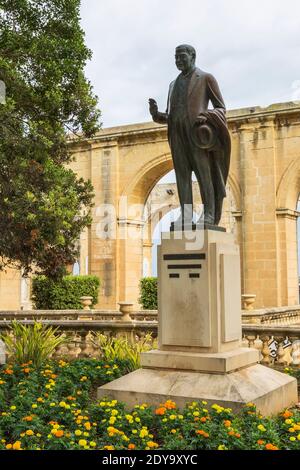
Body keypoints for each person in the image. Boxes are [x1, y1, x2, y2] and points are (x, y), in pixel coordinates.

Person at [149, 44, 231, 227]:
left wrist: (207, 115)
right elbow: (172, 116)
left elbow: (221, 108)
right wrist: (157, 116)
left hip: (197, 135)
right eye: (176, 57)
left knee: (204, 176)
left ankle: (209, 214)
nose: (178, 60)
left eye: (182, 56)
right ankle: (186, 217)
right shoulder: (173, 84)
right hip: (177, 136)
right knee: (182, 177)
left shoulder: (206, 78)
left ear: (192, 56)